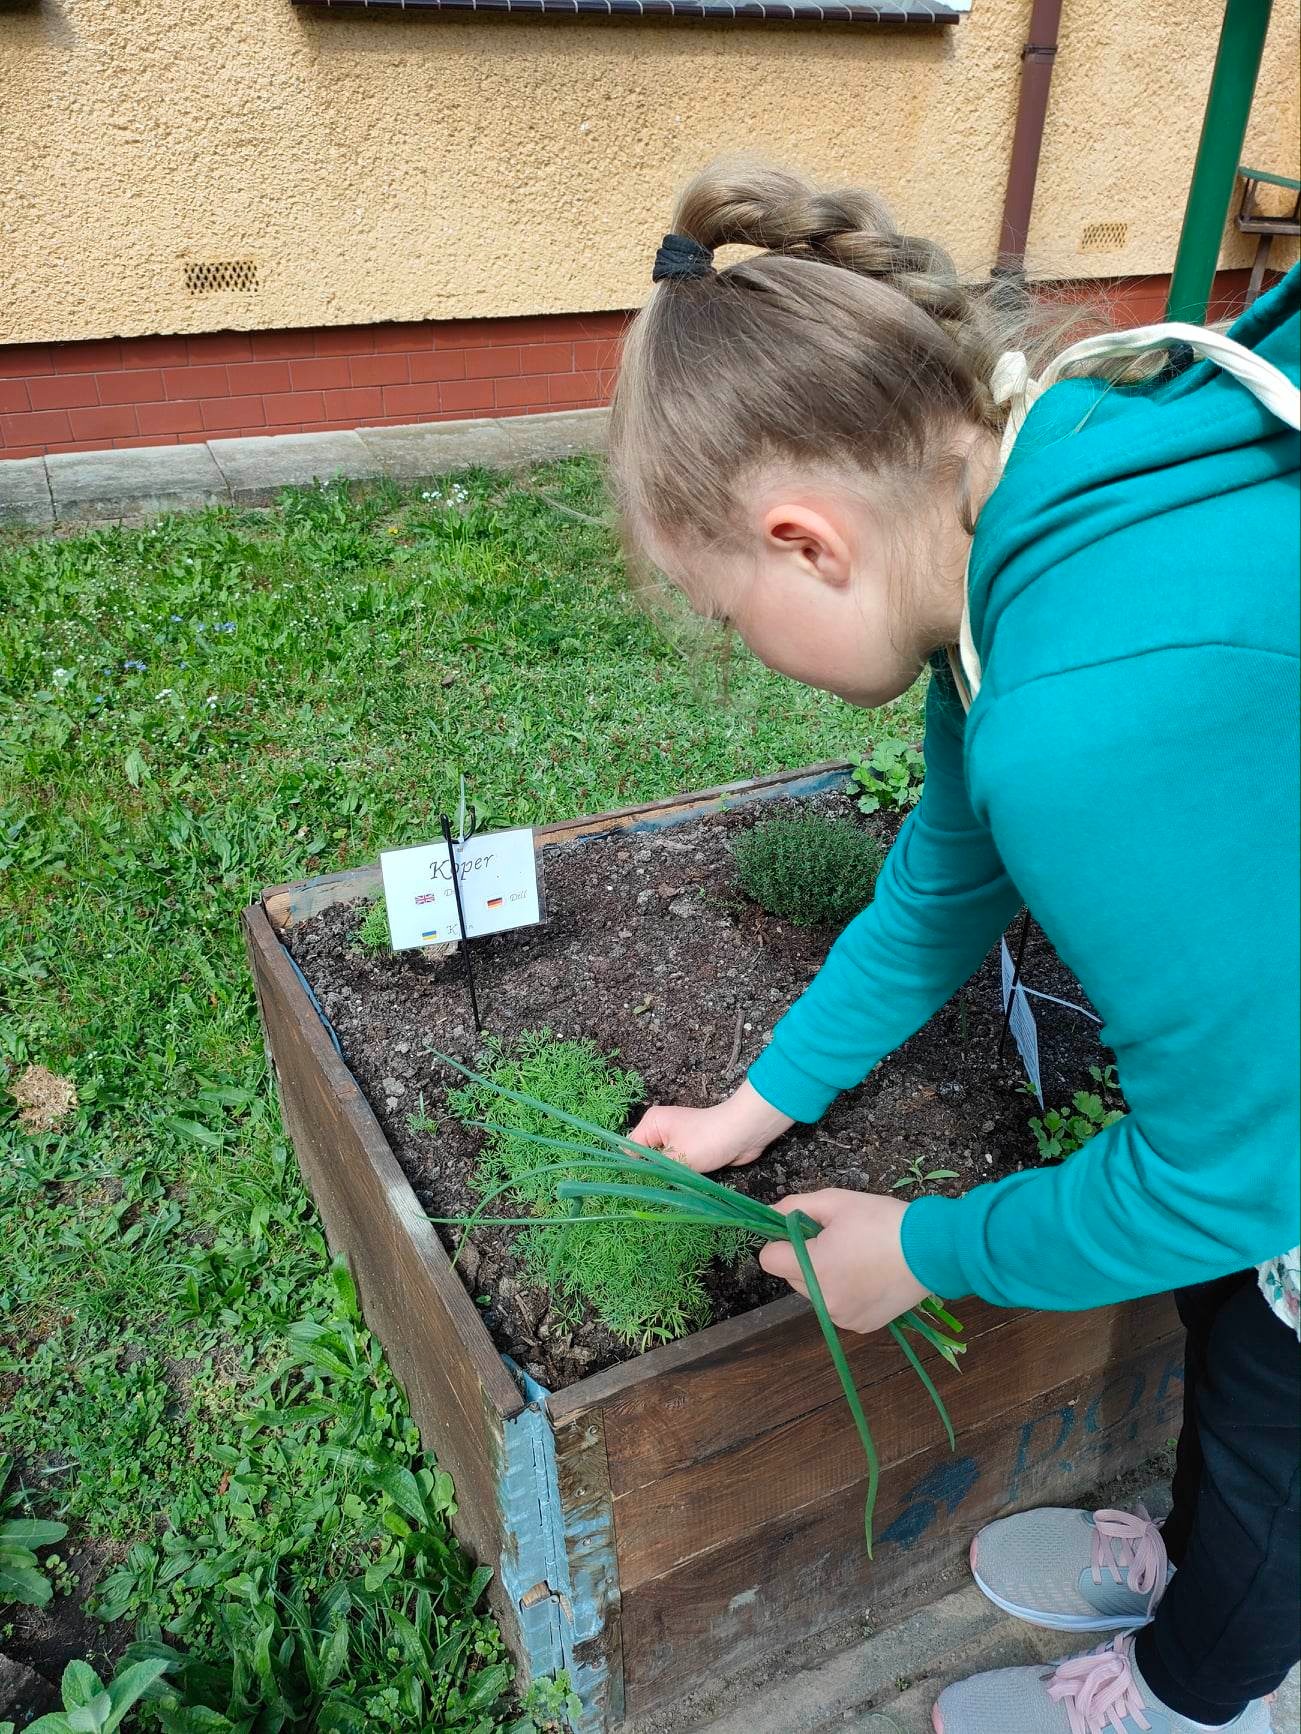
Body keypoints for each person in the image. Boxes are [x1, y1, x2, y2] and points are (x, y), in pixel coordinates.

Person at [610, 163, 1300, 1734]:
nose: (746, 651)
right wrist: (752, 1109)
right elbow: (940, 884)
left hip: (1286, 1155)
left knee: (1282, 1419)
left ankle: (1203, 1693)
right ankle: (1186, 1558)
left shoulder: (1083, 712)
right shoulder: (1026, 500)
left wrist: (918, 1252)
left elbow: (1236, 1180)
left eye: (727, 615)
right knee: (1231, 1331)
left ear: (803, 540)